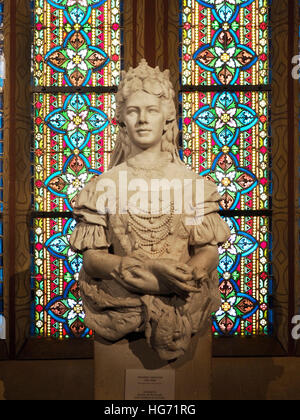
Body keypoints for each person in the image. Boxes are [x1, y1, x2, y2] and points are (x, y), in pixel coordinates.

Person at [69, 59, 230, 360]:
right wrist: (126, 269)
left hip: (184, 301)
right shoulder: (103, 186)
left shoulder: (192, 185)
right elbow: (92, 259)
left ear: (166, 118)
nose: (142, 119)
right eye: (133, 111)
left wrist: (187, 275)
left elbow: (208, 251)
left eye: (151, 111)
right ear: (122, 120)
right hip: (120, 305)